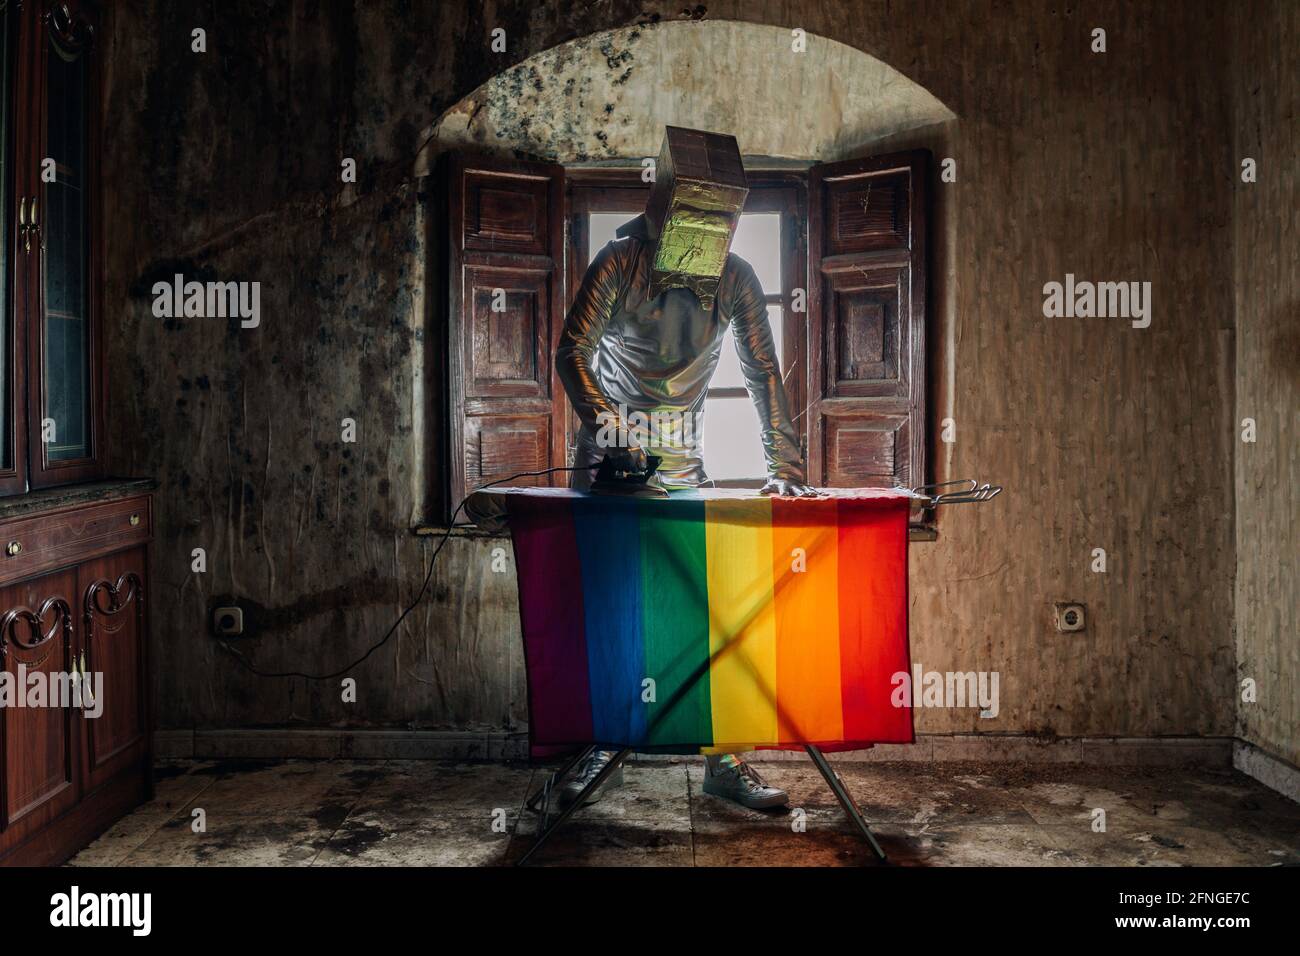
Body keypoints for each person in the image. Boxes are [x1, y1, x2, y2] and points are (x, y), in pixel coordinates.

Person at [554, 126, 818, 810]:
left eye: (719, 223)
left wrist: (784, 466)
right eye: (690, 219)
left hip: (686, 465)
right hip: (611, 467)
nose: (705, 236)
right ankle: (597, 748)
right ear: (660, 209)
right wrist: (613, 431)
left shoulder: (735, 277)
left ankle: (724, 759)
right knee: (614, 614)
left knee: (711, 618)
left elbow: (763, 372)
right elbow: (572, 353)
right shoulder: (617, 263)